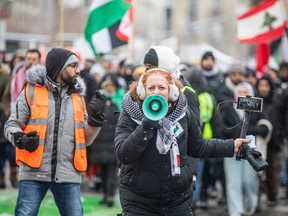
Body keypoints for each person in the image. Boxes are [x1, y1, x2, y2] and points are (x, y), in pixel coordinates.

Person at [114, 68, 250, 216]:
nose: (156, 92)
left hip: (178, 201)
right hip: (139, 202)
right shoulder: (130, 114)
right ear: (142, 92)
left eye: (162, 88)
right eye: (151, 88)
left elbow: (198, 147)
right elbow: (124, 154)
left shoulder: (184, 113)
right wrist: (144, 128)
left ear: (171, 92)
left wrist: (231, 146)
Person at [3, 47, 106, 216]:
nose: (78, 71)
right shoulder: (30, 91)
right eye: (73, 66)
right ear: (59, 67)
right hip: (33, 172)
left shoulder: (78, 98)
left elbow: (85, 140)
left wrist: (96, 121)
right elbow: (11, 125)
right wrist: (20, 139)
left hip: (68, 174)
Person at [219, 82, 269, 216]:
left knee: (249, 179)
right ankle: (236, 209)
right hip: (231, 148)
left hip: (250, 149)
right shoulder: (228, 108)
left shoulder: (256, 108)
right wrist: (236, 134)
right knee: (233, 180)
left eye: (245, 92)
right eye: (239, 92)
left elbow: (264, 127)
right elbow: (222, 128)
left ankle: (250, 205)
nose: (242, 95)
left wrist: (251, 130)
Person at [87, 73, 126, 207]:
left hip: (113, 143)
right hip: (100, 143)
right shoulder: (99, 100)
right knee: (102, 172)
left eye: (112, 86)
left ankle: (110, 195)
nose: (109, 88)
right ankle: (104, 194)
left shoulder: (120, 102)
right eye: (107, 85)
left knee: (111, 173)